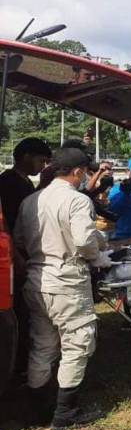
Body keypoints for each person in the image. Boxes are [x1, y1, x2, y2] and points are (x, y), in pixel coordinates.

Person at [13, 148, 112, 430]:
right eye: (85, 173)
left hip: (36, 278)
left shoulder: (31, 200)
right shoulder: (77, 201)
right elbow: (83, 242)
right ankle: (65, 413)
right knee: (77, 343)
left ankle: (38, 408)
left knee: (42, 343)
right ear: (78, 172)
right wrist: (97, 255)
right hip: (67, 279)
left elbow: (19, 238)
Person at [0, 137, 52, 376]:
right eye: (41, 160)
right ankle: (17, 365)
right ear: (26, 156)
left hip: (23, 254)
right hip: (12, 256)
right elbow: (7, 224)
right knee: (17, 312)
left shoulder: (26, 184)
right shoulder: (8, 183)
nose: (42, 166)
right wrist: (16, 257)